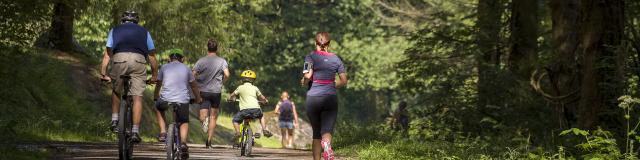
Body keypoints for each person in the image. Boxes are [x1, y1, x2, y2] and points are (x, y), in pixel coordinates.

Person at [99, 11, 159, 143]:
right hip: (138, 61)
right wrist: (155, 76)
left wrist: (103, 74)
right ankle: (135, 132)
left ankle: (115, 120)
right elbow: (152, 56)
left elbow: (107, 55)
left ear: (123, 20)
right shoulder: (144, 32)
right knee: (137, 96)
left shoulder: (114, 30)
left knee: (116, 89)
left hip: (120, 59)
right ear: (136, 21)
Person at [301, 32, 348, 160]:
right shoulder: (336, 59)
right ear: (329, 44)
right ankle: (327, 144)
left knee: (316, 133)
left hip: (313, 99)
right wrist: (332, 86)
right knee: (327, 130)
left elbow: (308, 76)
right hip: (330, 98)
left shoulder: (310, 57)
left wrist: (304, 82)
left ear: (315, 43)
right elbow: (344, 80)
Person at [152, 52, 202, 158]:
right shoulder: (187, 68)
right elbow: (194, 86)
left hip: (166, 98)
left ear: (170, 58)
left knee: (158, 107)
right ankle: (183, 143)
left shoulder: (164, 67)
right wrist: (198, 99)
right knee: (183, 120)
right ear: (182, 59)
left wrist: (156, 96)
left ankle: (163, 132)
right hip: (182, 99)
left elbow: (158, 84)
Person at [193, 39, 230, 148]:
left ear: (207, 48)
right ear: (216, 48)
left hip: (203, 91)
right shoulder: (222, 61)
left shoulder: (201, 61)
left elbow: (193, 74)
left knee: (202, 116)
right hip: (216, 92)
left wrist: (196, 85)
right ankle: (209, 142)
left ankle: (204, 121)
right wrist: (222, 82)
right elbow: (227, 74)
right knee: (214, 117)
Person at [228, 70, 272, 145]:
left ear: (242, 79)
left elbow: (232, 95)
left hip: (244, 111)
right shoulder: (255, 88)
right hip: (256, 109)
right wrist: (265, 101)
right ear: (253, 80)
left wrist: (230, 98)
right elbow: (262, 97)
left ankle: (238, 133)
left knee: (235, 121)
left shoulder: (240, 87)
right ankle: (264, 130)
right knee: (261, 116)